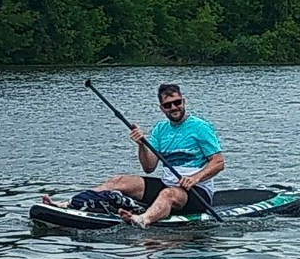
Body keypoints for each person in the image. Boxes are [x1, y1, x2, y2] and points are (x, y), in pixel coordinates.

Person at [87, 82, 228, 225]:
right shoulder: (160, 130)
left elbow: (218, 162)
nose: (173, 107)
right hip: (167, 185)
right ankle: (77, 201)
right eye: (168, 105)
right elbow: (149, 167)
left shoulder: (200, 127)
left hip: (196, 192)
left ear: (183, 102)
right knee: (118, 181)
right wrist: (141, 145)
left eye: (177, 102)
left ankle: (142, 219)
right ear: (162, 108)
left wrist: (194, 178)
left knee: (168, 194)